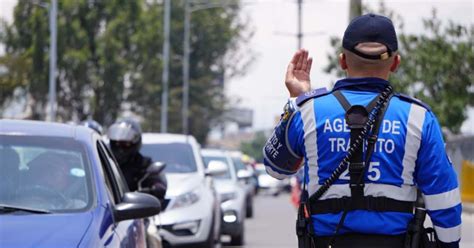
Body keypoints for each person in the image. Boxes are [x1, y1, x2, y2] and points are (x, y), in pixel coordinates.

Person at [263, 14, 461, 248]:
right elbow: (444, 199)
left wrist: (297, 100)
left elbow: (275, 167)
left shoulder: (309, 110)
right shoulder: (419, 118)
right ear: (396, 63)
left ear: (342, 61)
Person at [106, 119, 166, 201]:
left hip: (134, 207)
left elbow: (158, 184)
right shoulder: (104, 161)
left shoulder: (144, 164)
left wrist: (154, 189)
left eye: (125, 144)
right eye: (117, 143)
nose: (120, 148)